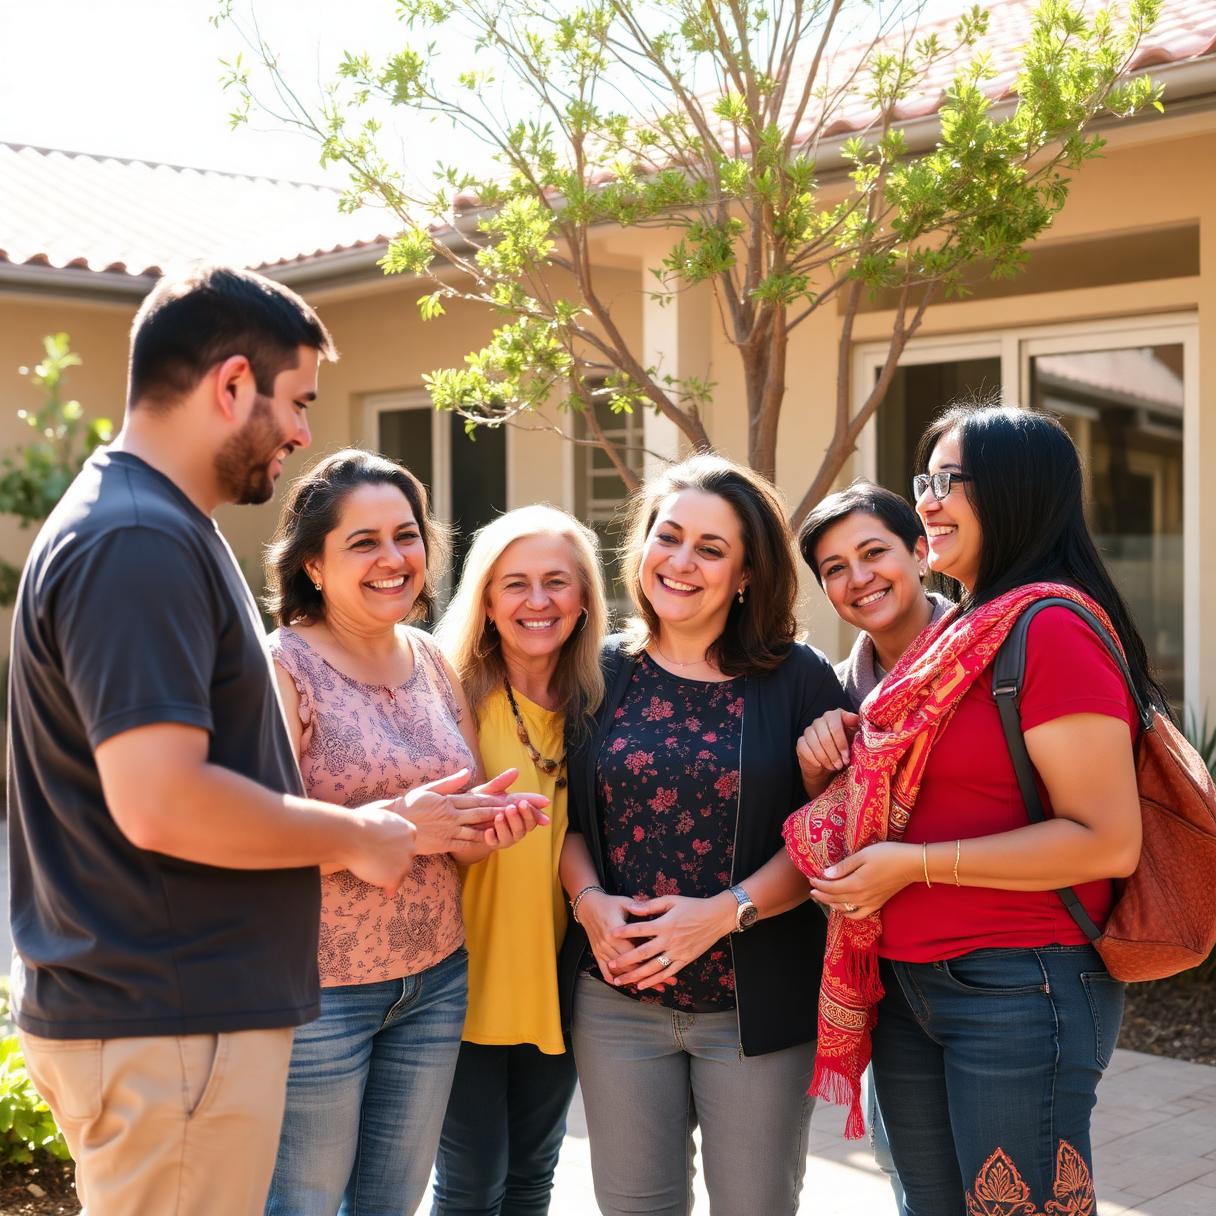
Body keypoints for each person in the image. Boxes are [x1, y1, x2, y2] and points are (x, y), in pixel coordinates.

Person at [7, 267, 520, 1216]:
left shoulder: (161, 527)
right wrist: (359, 834)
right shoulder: (136, 539)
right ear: (232, 384)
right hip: (168, 1023)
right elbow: (161, 799)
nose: (302, 433)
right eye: (298, 402)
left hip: (185, 1021)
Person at [785, 402, 1160, 1215]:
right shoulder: (953, 645)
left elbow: (1106, 841)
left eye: (950, 481)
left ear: (1018, 491)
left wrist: (913, 866)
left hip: (1020, 984)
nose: (928, 500)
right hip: (906, 983)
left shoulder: (1050, 627)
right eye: (926, 479)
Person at [557, 453, 851, 1216]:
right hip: (617, 1002)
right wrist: (588, 902)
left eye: (711, 549)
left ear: (747, 573)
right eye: (669, 536)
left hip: (754, 1009)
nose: (681, 562)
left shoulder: (799, 679)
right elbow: (564, 813)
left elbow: (823, 838)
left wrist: (724, 913)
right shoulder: (596, 668)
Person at [261, 450, 549, 1216]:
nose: (394, 559)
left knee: (393, 1203)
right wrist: (397, 827)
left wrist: (481, 832)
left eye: (406, 535)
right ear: (313, 566)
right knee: (304, 1202)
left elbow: (445, 834)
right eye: (363, 542)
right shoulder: (280, 669)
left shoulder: (428, 658)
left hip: (433, 982)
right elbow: (253, 837)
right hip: (319, 995)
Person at [431, 505, 608, 1216]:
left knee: (534, 1179)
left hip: (558, 971)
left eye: (556, 582)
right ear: (486, 599)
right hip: (463, 972)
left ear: (585, 597)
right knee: (472, 1186)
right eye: (516, 584)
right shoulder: (448, 689)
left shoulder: (602, 696)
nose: (538, 602)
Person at [796, 479, 952, 1210]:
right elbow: (825, 842)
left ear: (922, 553)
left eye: (873, 553)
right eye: (834, 568)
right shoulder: (835, 694)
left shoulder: (988, 656)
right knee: (919, 1189)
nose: (858, 579)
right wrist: (812, 768)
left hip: (1001, 967)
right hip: (890, 980)